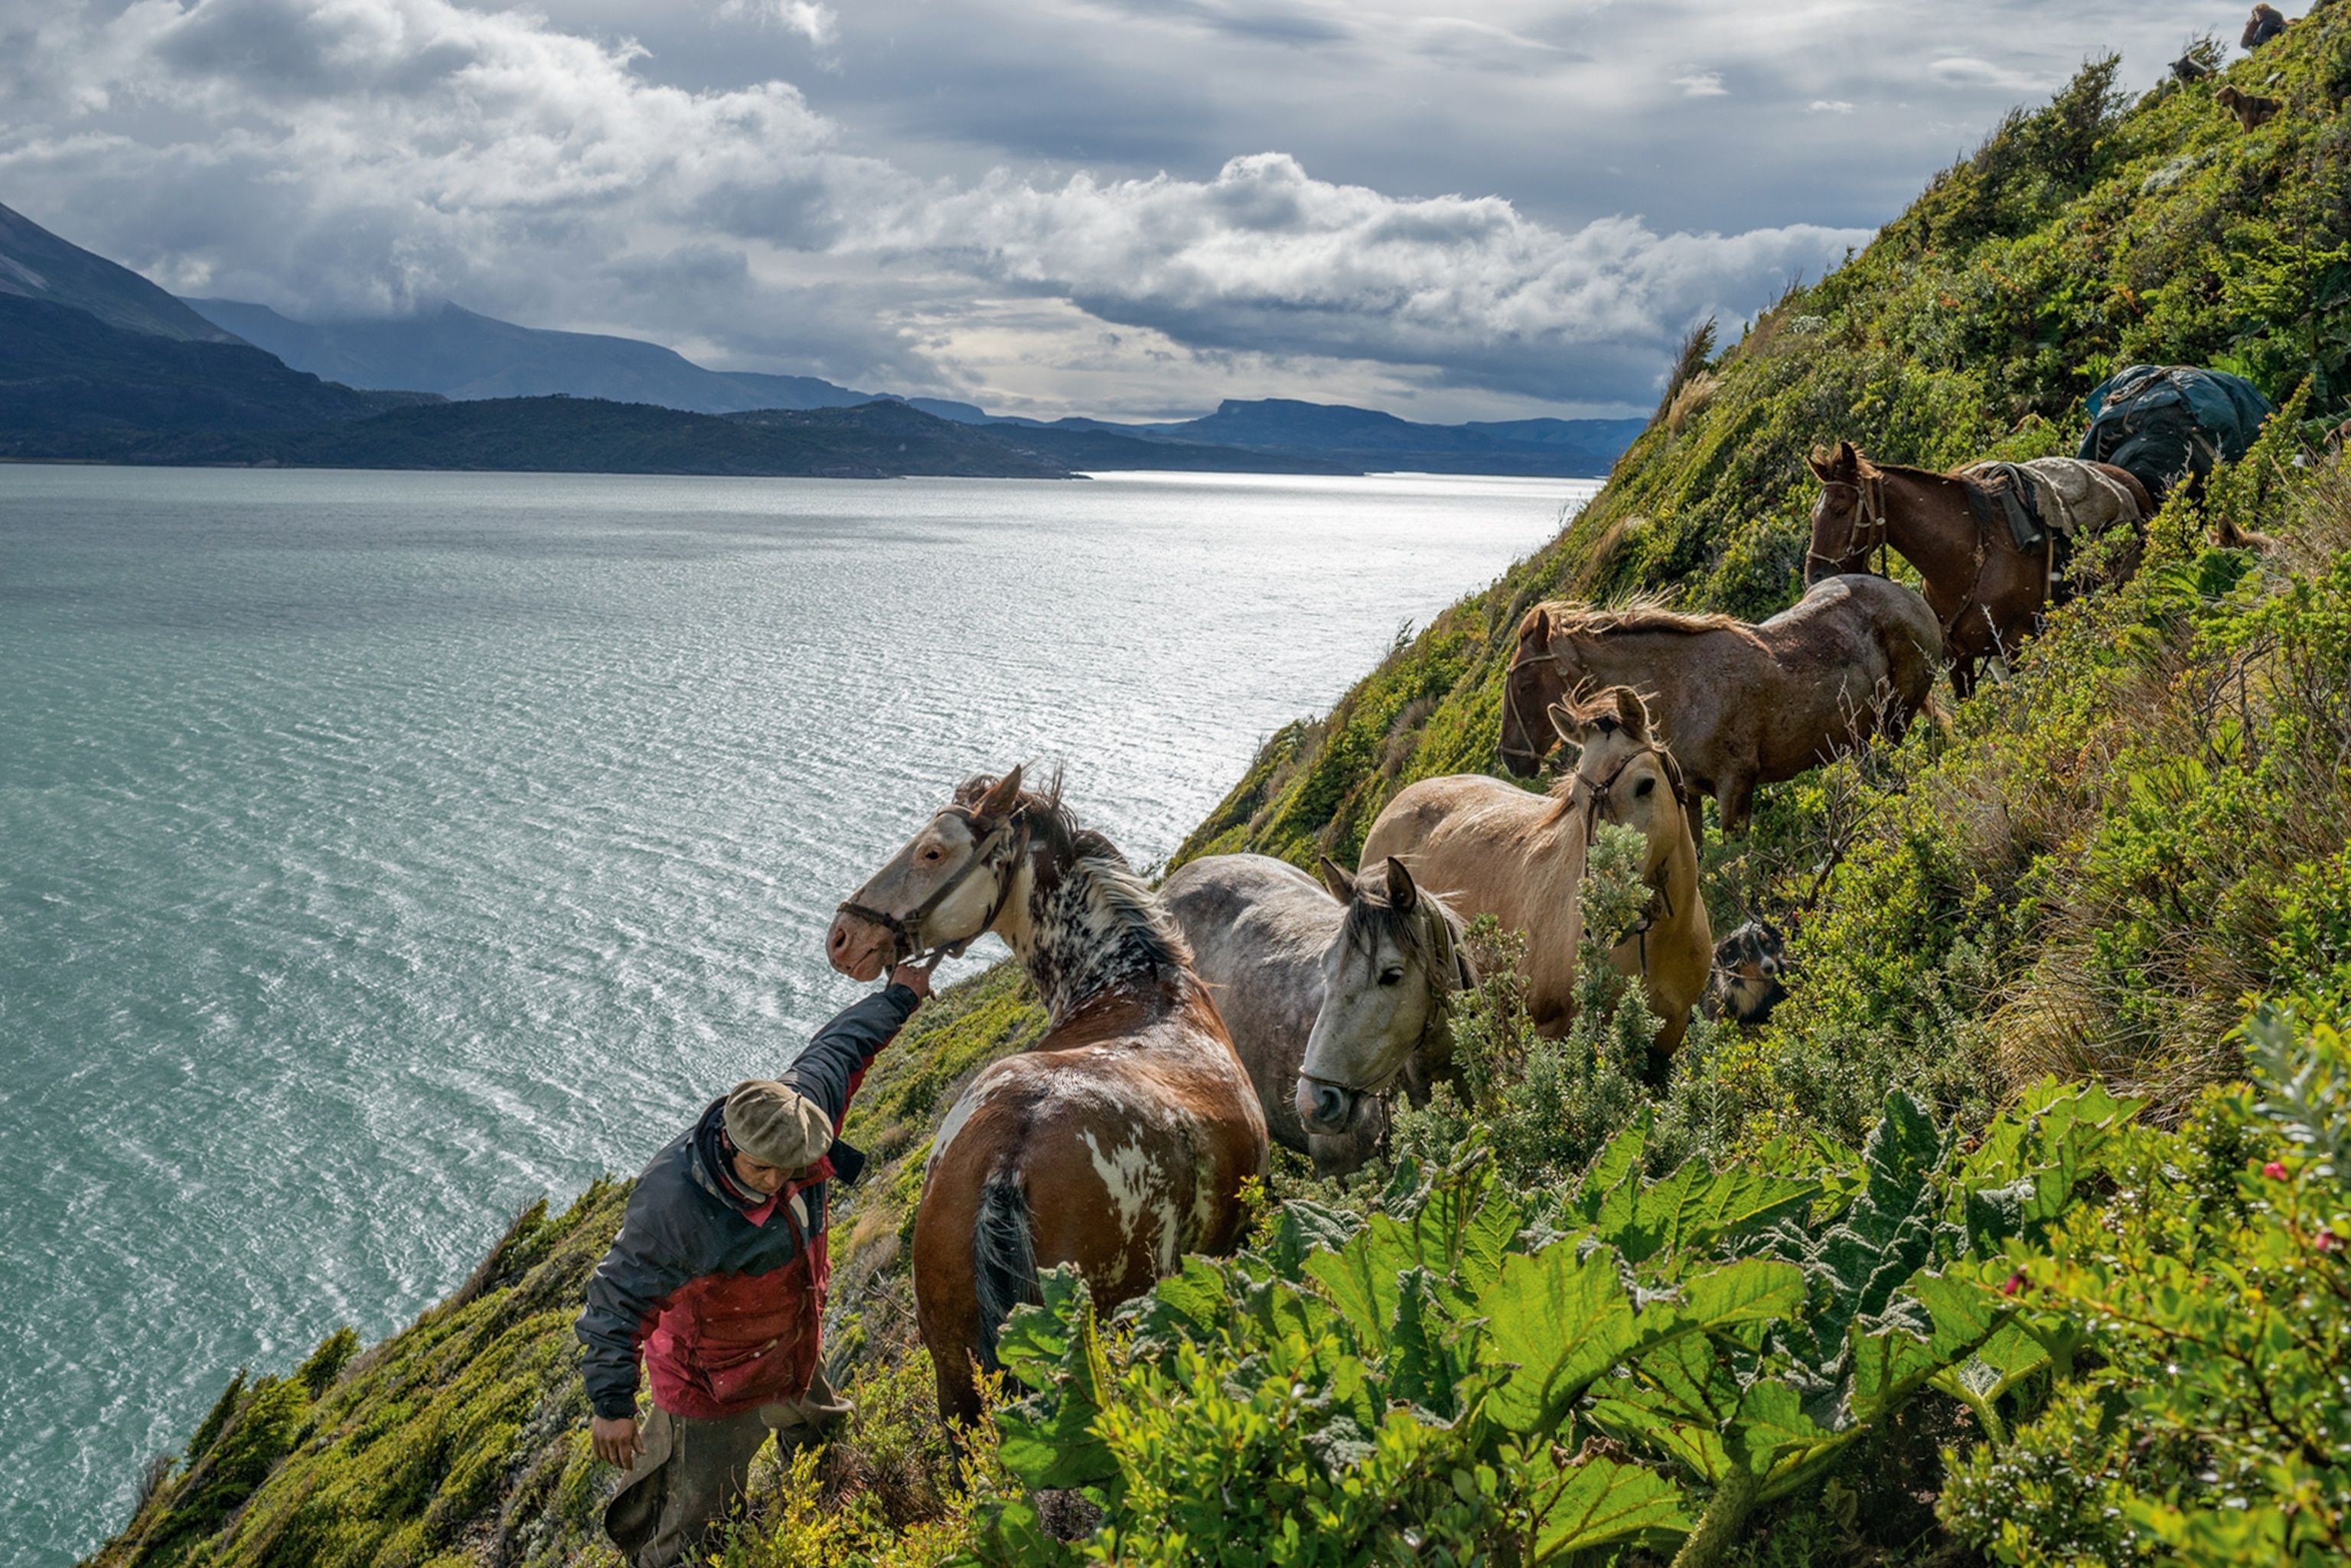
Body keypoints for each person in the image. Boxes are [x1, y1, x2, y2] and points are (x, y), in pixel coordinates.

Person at [576, 962, 932, 1566]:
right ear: (728, 1145)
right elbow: (618, 1299)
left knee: (824, 1437)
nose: (776, 1183)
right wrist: (612, 1405)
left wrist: (900, 995)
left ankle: (821, 1530)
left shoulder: (798, 1122)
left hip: (790, 1348)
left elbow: (841, 1046)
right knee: (695, 1521)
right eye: (760, 1169)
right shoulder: (675, 1203)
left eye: (790, 1168)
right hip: (712, 1383)